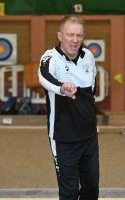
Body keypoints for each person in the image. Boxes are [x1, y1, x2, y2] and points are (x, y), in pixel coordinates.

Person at [38, 15, 99, 200]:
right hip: (63, 138)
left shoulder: (88, 56)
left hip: (89, 136)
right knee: (69, 193)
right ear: (60, 35)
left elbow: (92, 91)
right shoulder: (50, 58)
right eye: (70, 34)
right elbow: (44, 77)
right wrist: (61, 87)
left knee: (91, 190)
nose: (75, 40)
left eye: (79, 35)